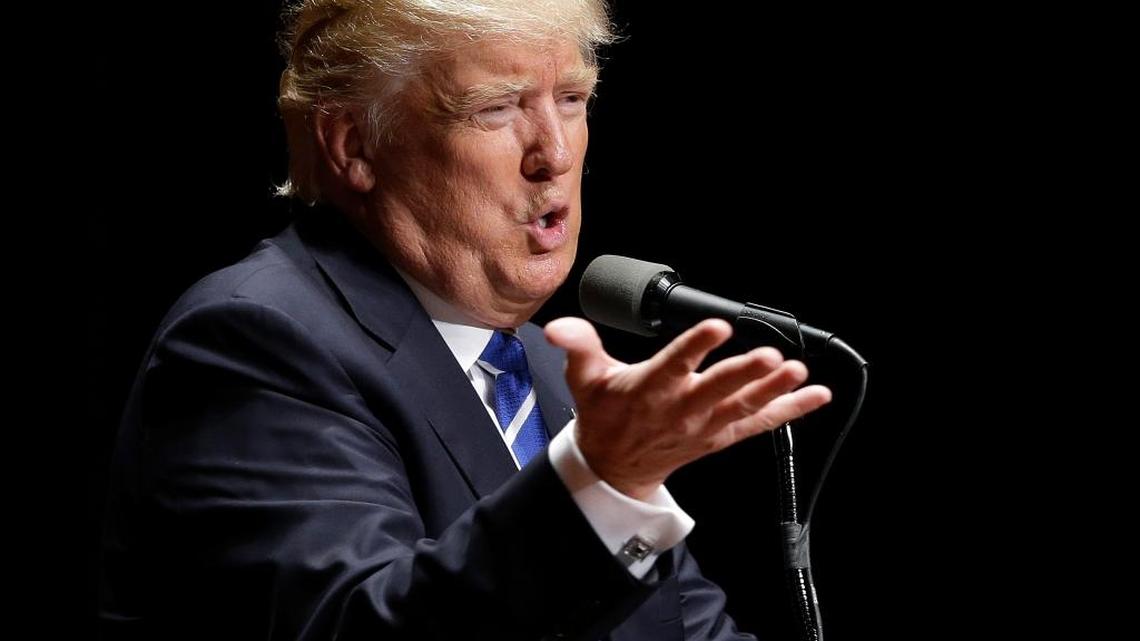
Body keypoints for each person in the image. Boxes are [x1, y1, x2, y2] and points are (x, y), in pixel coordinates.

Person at [98, 1, 832, 639]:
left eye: (573, 98)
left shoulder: (551, 369)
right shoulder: (254, 340)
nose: (554, 153)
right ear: (354, 145)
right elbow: (360, 627)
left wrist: (609, 481)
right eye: (498, 107)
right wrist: (602, 484)